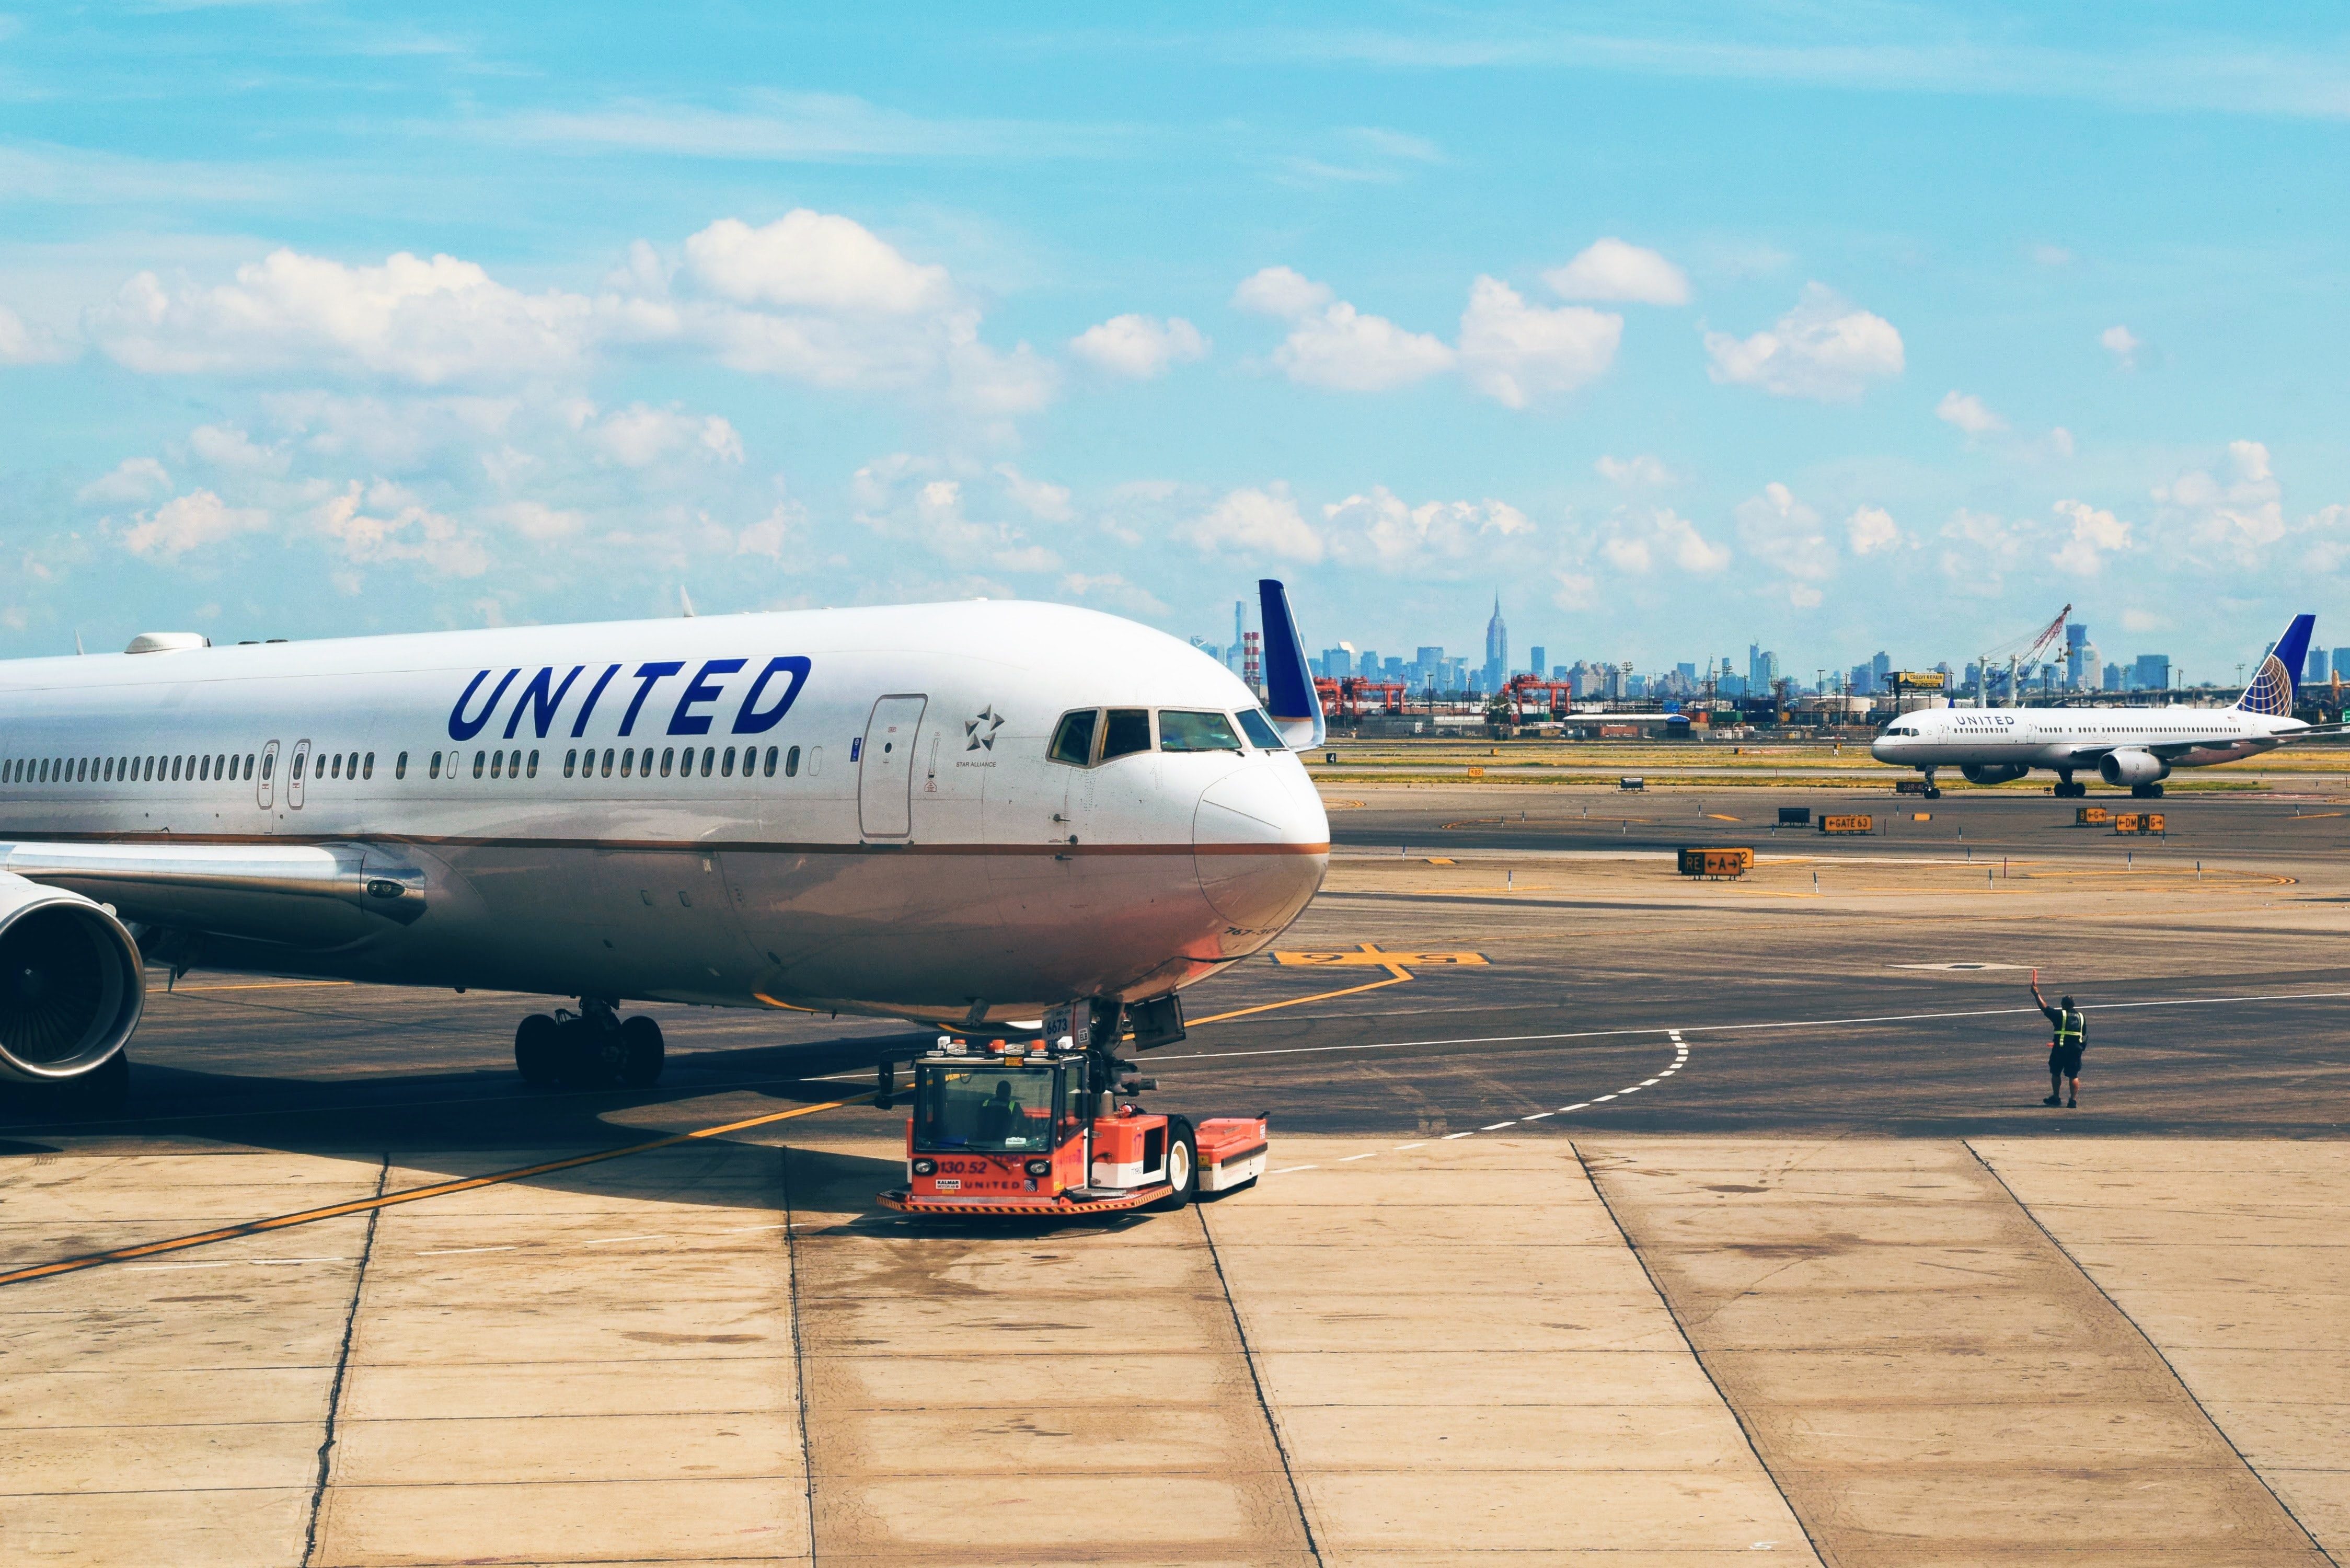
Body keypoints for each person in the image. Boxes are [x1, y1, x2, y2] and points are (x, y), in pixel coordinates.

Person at [2030, 971, 2085, 1108]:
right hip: (2076, 1050)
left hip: (2061, 1049)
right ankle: (2073, 1101)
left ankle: (2056, 1097)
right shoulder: (2081, 1017)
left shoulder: (2060, 1015)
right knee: (2073, 1075)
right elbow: (2083, 1033)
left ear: (2063, 1005)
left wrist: (2036, 994)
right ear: (2074, 1005)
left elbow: (2045, 1008)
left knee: (2056, 1072)